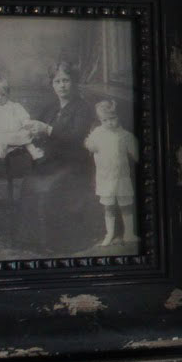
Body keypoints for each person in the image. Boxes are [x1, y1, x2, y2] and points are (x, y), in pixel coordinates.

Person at [20, 61, 102, 256]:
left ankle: (58, 241)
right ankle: (34, 240)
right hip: (52, 160)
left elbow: (76, 138)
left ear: (74, 82)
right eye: (57, 81)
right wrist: (34, 133)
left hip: (75, 163)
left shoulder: (82, 108)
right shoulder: (50, 107)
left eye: (66, 80)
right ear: (52, 84)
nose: (62, 85)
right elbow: (40, 131)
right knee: (29, 183)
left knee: (50, 188)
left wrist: (47, 129)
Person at [84, 100, 140, 246]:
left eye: (112, 118)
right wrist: (90, 145)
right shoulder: (97, 133)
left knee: (125, 205)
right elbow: (89, 145)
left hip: (121, 177)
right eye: (105, 120)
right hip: (105, 177)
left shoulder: (125, 135)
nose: (109, 122)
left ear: (118, 116)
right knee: (108, 206)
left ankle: (129, 234)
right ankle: (110, 234)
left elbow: (136, 154)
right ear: (100, 120)